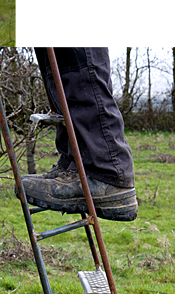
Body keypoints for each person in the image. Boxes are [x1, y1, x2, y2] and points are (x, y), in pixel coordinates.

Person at [20, 48, 138, 221]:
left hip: (105, 170)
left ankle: (105, 173)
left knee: (78, 61)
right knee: (58, 67)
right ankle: (73, 164)